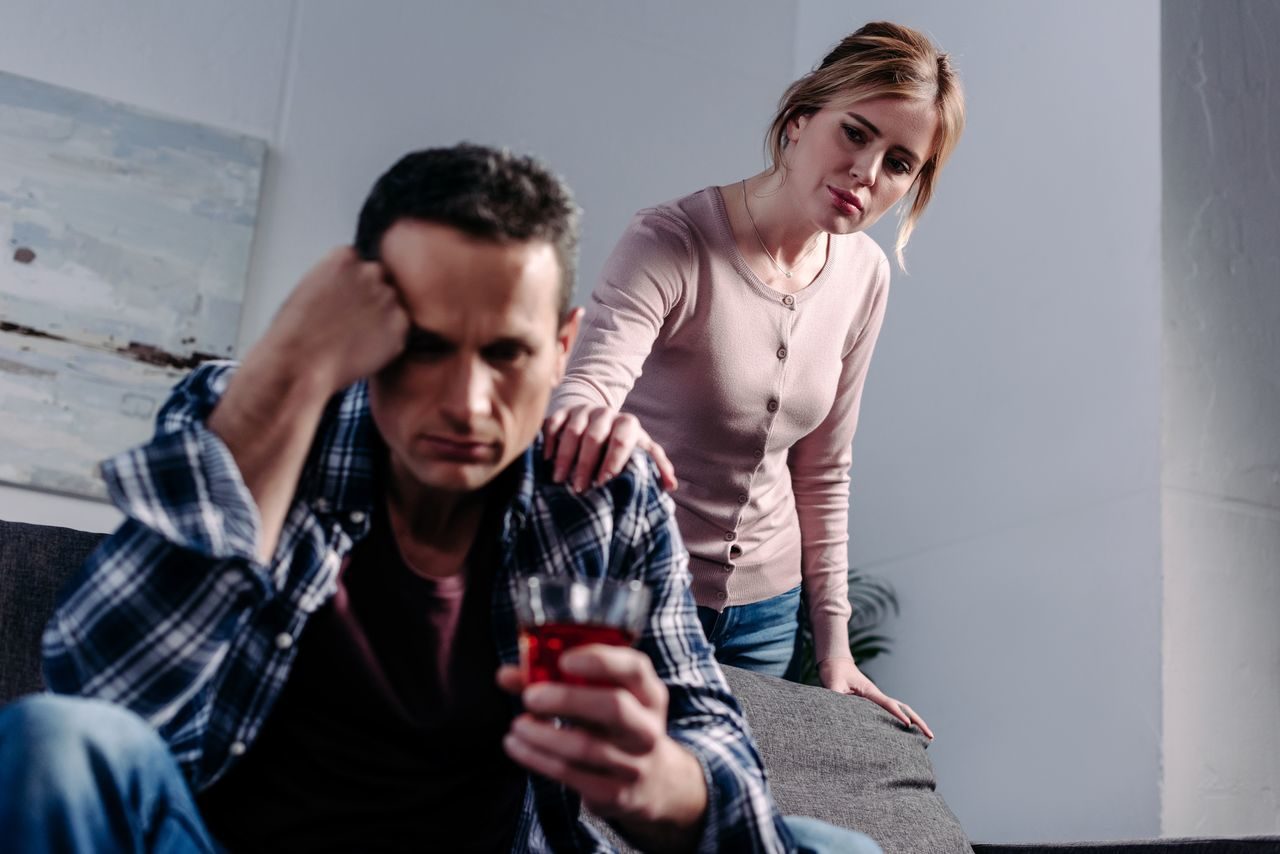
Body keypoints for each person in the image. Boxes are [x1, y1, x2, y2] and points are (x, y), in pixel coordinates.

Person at [0, 144, 881, 853]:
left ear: (562, 346)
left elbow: (710, 737)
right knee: (52, 742)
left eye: (506, 353)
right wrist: (287, 372)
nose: (466, 403)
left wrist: (663, 784)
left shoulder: (602, 497)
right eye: (424, 347)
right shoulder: (250, 413)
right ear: (362, 323)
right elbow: (102, 692)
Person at [544, 22, 965, 737]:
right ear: (799, 119)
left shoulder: (864, 275)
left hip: (765, 616)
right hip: (636, 590)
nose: (867, 173)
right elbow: (590, 387)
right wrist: (587, 416)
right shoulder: (671, 241)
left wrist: (833, 648)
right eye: (855, 133)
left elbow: (824, 467)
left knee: (727, 797)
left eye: (899, 163)